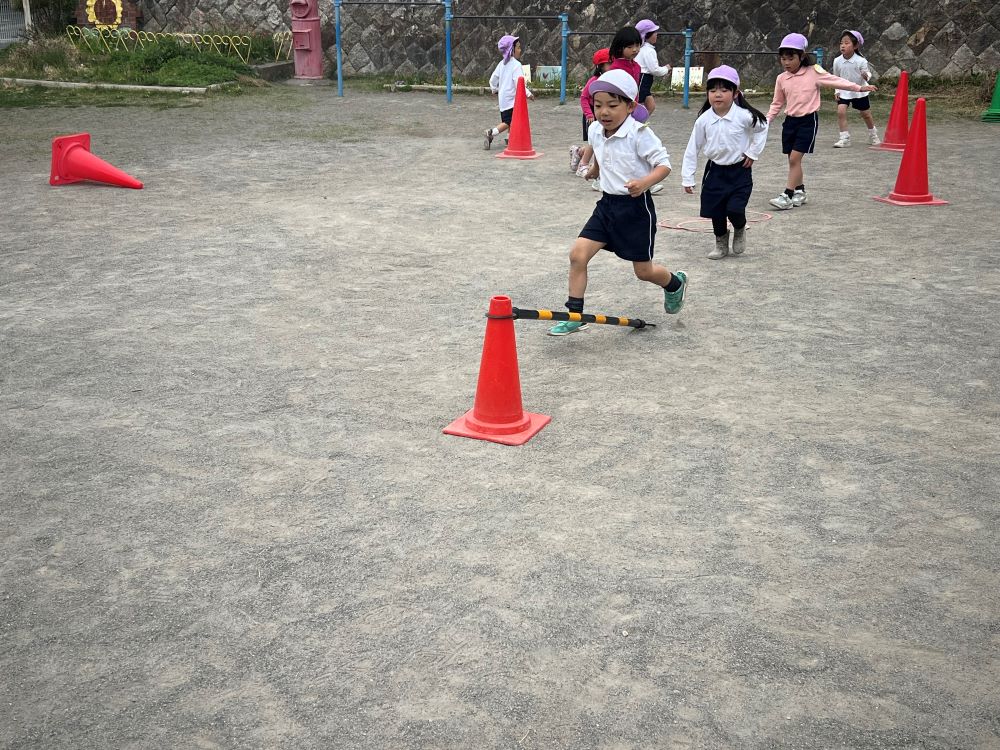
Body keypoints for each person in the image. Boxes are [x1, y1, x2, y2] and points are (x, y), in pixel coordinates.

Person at [548, 69, 687, 336]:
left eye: (612, 105)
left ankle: (674, 284)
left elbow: (664, 165)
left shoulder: (640, 133)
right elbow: (602, 153)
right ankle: (575, 315)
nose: (604, 112)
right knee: (577, 255)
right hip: (607, 207)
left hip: (636, 210)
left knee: (643, 272)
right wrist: (594, 170)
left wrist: (644, 182)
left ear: (630, 106)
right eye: (598, 105)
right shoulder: (595, 130)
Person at [765, 33, 876, 209]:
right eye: (783, 59)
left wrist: (859, 88)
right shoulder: (781, 78)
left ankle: (787, 195)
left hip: (808, 122)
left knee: (794, 159)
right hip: (790, 122)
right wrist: (767, 121)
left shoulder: (814, 72)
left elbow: (836, 81)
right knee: (792, 160)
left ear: (801, 56)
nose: (786, 62)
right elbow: (777, 103)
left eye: (791, 58)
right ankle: (800, 191)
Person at [681, 65, 769, 259]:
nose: (718, 94)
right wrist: (688, 177)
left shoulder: (744, 116)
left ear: (735, 93)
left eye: (724, 90)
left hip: (740, 171)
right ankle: (721, 243)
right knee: (716, 211)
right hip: (715, 172)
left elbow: (763, 126)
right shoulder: (703, 120)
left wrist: (752, 153)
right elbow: (692, 148)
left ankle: (740, 227)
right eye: (712, 90)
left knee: (735, 208)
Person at [831, 30, 880, 147]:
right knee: (841, 112)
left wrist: (866, 76)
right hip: (844, 91)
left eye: (846, 43)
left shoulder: (861, 60)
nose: (843, 46)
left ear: (855, 46)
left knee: (866, 114)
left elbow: (868, 74)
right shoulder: (837, 61)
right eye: (841, 43)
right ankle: (844, 138)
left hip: (860, 92)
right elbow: (835, 77)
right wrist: (837, 91)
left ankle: (873, 135)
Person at [484, 34, 533, 150]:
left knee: (509, 120)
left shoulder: (501, 64)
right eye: (518, 47)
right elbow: (519, 84)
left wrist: (494, 89)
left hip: (503, 99)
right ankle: (491, 132)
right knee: (509, 121)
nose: (520, 50)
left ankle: (509, 138)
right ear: (511, 49)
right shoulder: (516, 65)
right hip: (512, 99)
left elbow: (493, 79)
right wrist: (528, 93)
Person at [570, 48, 611, 176]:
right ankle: (583, 164)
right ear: (600, 66)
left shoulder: (612, 79)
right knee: (594, 140)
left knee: (601, 140)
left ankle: (579, 152)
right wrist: (589, 114)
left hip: (604, 112)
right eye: (609, 63)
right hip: (592, 114)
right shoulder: (594, 80)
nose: (612, 66)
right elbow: (584, 97)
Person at [635, 19, 672, 115]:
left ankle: (640, 122)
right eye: (654, 32)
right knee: (639, 106)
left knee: (651, 106)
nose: (656, 34)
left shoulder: (642, 48)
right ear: (647, 35)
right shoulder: (648, 50)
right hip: (643, 81)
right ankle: (635, 122)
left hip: (644, 81)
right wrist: (666, 68)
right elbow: (654, 70)